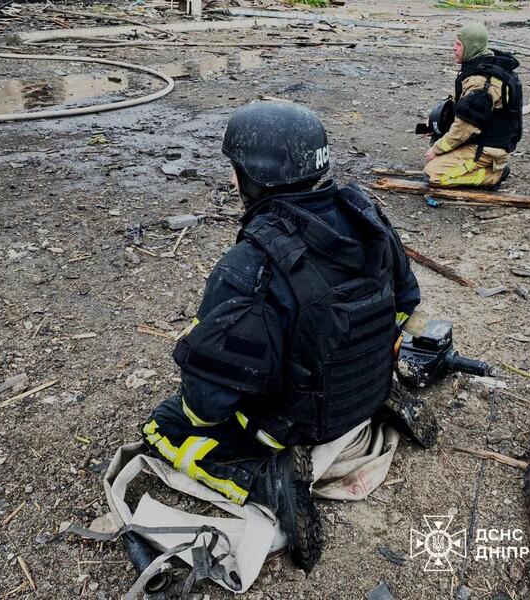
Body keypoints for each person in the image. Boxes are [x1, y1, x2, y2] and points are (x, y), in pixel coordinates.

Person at [142, 101, 422, 572]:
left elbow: (206, 404)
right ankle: (374, 401)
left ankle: (263, 478)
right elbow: (406, 303)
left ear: (247, 177)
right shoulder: (366, 216)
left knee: (164, 426)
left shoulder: (248, 267)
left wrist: (198, 348)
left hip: (298, 422)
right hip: (364, 388)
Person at [423, 22, 523, 190]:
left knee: (434, 175)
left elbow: (465, 126)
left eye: (459, 44)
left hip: (488, 148)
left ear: (472, 47)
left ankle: (493, 176)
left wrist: (437, 149)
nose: (453, 48)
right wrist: (434, 121)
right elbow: (459, 102)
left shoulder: (482, 82)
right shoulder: (479, 67)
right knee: (436, 150)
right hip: (480, 138)